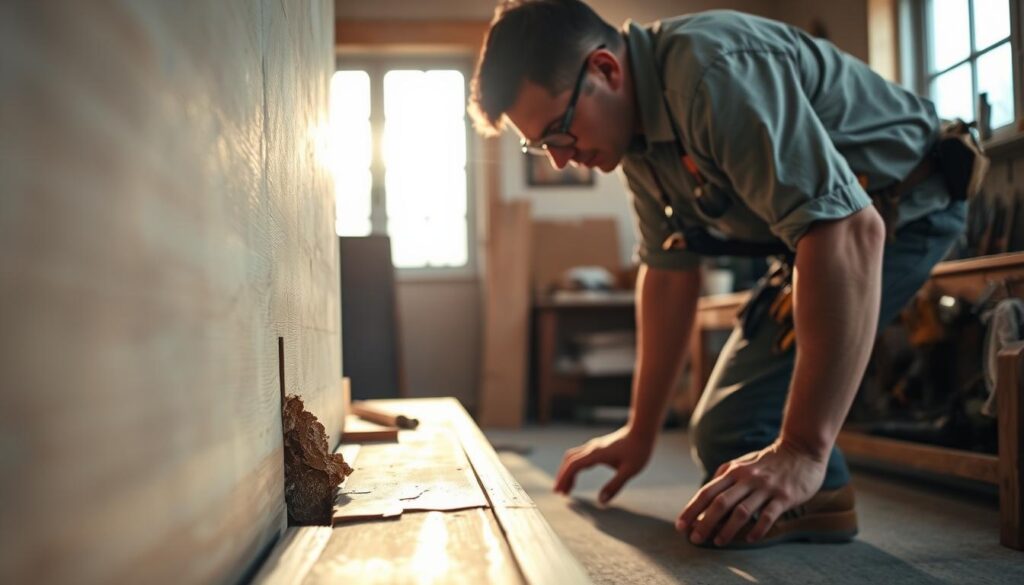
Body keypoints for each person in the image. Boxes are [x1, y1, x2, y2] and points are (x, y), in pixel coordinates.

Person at [468, 0, 967, 548]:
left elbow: (850, 231)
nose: (560, 160)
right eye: (540, 146)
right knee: (728, 431)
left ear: (605, 70)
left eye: (559, 133)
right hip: (821, 236)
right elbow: (668, 272)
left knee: (741, 430)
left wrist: (802, 450)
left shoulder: (712, 73)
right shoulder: (632, 138)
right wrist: (641, 431)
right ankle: (810, 488)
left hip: (907, 209)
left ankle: (815, 487)